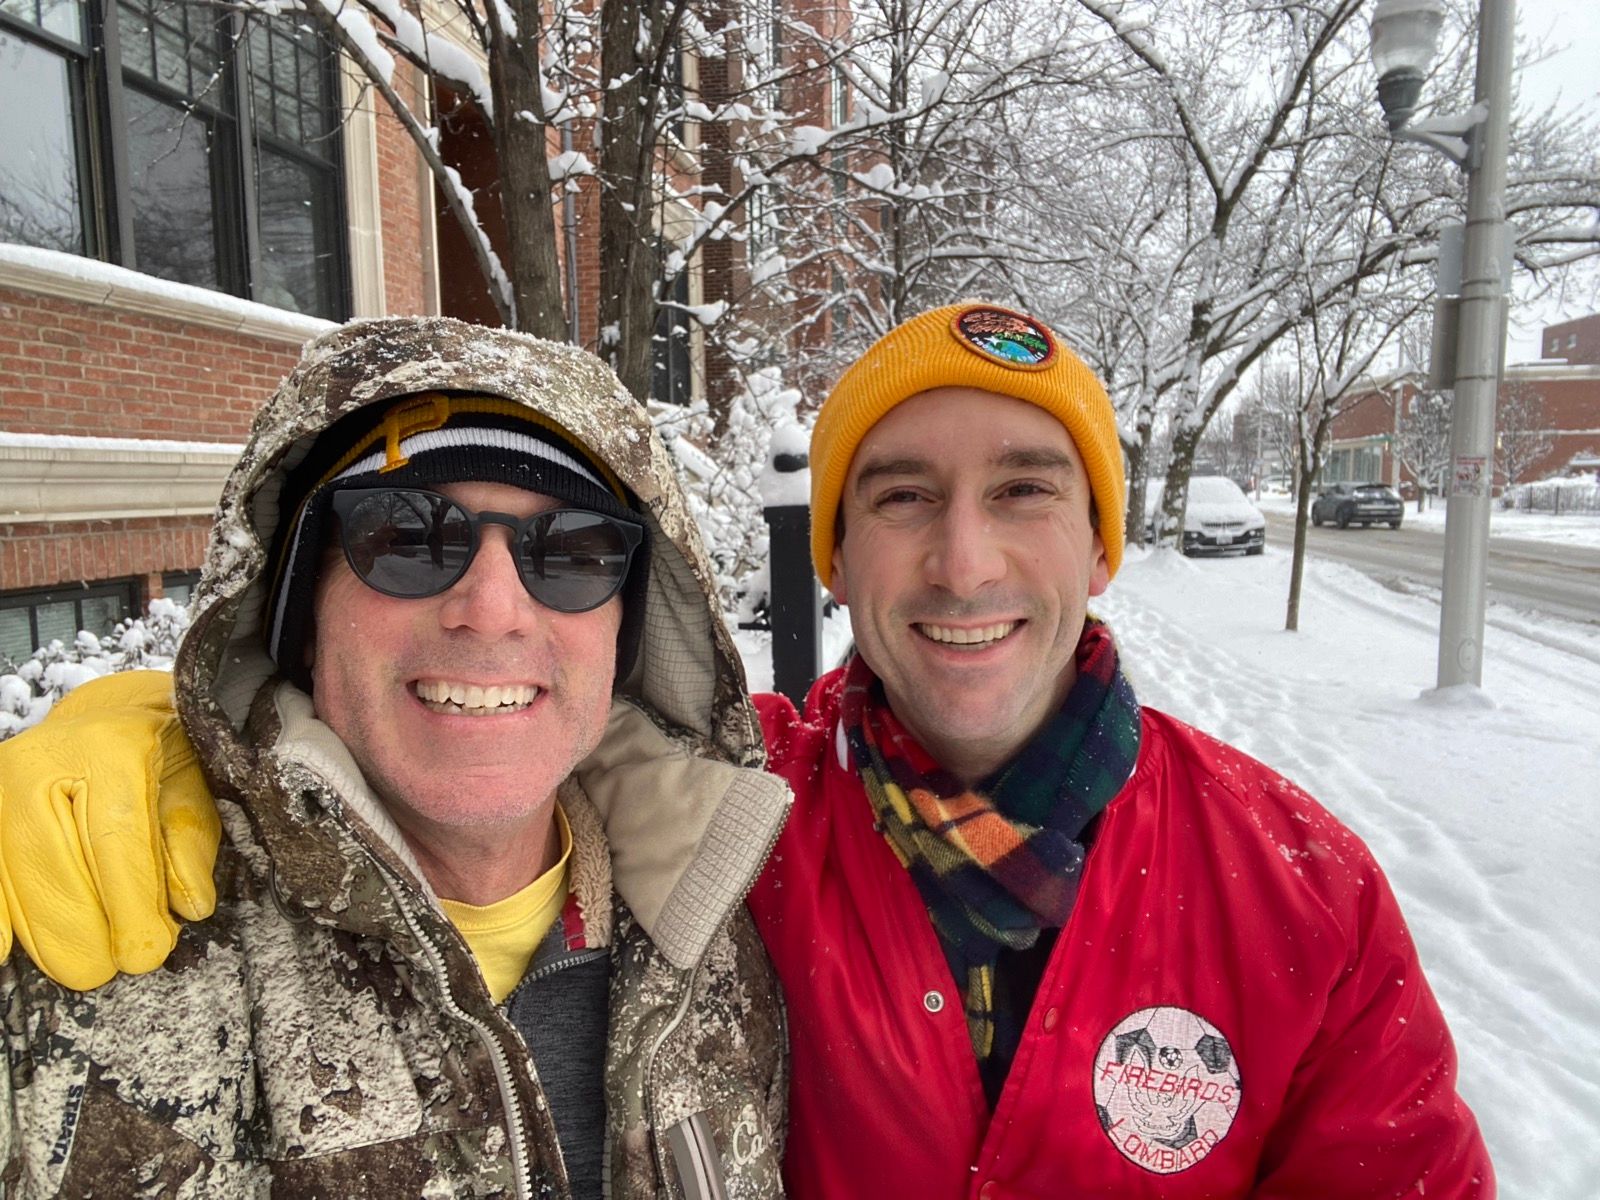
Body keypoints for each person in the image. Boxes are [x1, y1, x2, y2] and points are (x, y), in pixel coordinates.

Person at [1, 304, 1492, 1198]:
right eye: (902, 497)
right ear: (832, 555)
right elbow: (456, 738)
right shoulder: (740, 828)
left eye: (1028, 490)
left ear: (1103, 540)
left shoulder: (1307, 896)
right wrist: (174, 737)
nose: (964, 564)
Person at [0, 318, 789, 1198]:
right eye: (408, 539)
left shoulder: (717, 946)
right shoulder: (70, 987)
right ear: (300, 620)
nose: (492, 611)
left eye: (568, 553)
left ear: (621, 639)